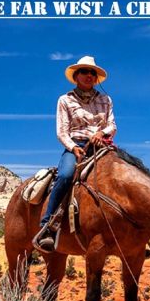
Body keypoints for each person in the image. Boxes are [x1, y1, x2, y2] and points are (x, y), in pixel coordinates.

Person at [36, 56, 117, 250]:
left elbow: (112, 125)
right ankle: (48, 225)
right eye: (84, 71)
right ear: (76, 76)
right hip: (77, 145)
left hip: (102, 146)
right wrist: (73, 147)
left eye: (92, 72)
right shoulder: (65, 100)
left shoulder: (106, 100)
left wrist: (101, 132)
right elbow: (61, 132)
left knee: (127, 175)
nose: (89, 75)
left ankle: (135, 232)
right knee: (64, 175)